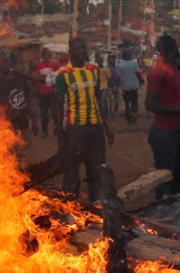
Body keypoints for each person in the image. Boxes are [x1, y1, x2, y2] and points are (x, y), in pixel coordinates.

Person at [54, 37, 114, 202]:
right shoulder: (62, 75)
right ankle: (70, 206)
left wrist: (106, 127)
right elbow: (58, 107)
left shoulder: (94, 70)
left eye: (83, 48)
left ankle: (96, 204)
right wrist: (60, 134)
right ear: (70, 52)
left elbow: (98, 100)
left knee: (96, 169)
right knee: (71, 170)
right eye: (78, 49)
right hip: (75, 128)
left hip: (95, 127)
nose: (82, 52)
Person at [145, 35, 180, 199]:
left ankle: (179, 217)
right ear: (167, 49)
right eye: (174, 47)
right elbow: (150, 104)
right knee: (165, 180)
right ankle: (162, 217)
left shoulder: (174, 69)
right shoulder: (159, 72)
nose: (177, 50)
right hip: (164, 134)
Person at [0, 53, 31, 132]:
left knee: (22, 140)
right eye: (1, 62)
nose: (4, 64)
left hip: (21, 119)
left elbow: (28, 98)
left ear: (11, 63)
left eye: (6, 61)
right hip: (4, 121)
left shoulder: (20, 79)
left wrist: (34, 120)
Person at [35, 48, 60, 137]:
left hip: (52, 93)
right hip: (42, 94)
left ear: (50, 55)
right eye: (44, 54)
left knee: (55, 112)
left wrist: (43, 78)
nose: (45, 55)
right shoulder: (38, 65)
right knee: (43, 114)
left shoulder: (55, 65)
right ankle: (44, 131)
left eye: (47, 53)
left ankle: (57, 129)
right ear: (42, 55)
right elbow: (36, 78)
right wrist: (46, 78)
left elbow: (57, 77)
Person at [118, 49, 144, 123]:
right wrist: (141, 80)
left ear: (123, 56)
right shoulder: (134, 63)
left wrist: (118, 86)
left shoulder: (120, 64)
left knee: (126, 103)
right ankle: (134, 115)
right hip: (133, 86)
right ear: (129, 55)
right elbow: (138, 73)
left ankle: (128, 117)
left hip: (125, 87)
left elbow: (119, 76)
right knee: (134, 101)